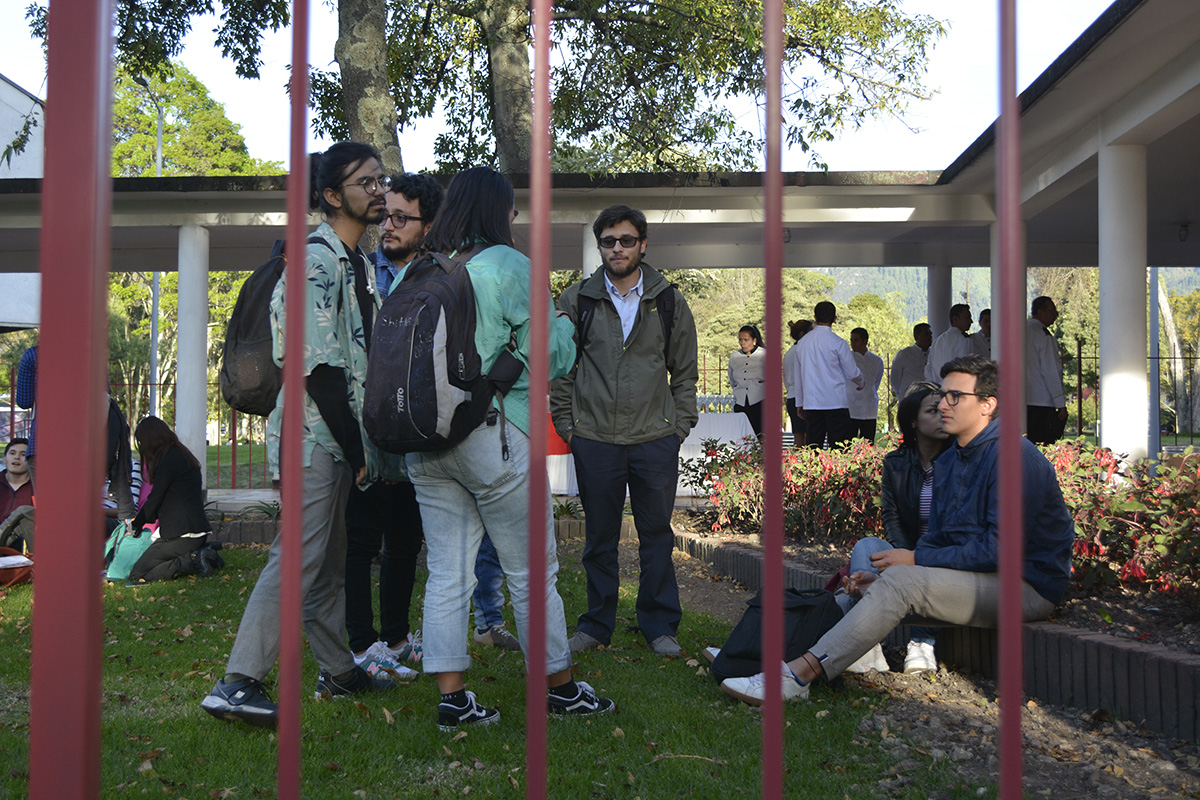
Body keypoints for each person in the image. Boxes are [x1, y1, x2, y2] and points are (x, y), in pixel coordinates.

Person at [721, 354, 1074, 705]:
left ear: (987, 405)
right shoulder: (951, 459)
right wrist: (890, 575)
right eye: (941, 394)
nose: (943, 404)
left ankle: (799, 676)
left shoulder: (1014, 457)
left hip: (1026, 587)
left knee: (901, 579)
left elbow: (1000, 551)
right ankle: (750, 656)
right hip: (976, 578)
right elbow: (940, 536)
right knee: (864, 580)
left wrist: (915, 560)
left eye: (955, 396)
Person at [202, 142, 402, 728]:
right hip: (315, 436)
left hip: (337, 436)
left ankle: (339, 670)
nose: (378, 190)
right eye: (366, 182)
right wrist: (357, 445)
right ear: (333, 196)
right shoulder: (315, 259)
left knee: (328, 558)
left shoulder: (354, 262)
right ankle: (238, 681)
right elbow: (317, 365)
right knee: (298, 556)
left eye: (380, 179)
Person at [407, 167, 613, 730]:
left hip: (424, 443)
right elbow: (554, 358)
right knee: (530, 571)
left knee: (447, 571)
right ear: (501, 213)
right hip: (494, 437)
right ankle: (561, 690)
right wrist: (565, 326)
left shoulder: (423, 268)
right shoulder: (508, 267)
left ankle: (453, 700)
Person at [551, 204, 699, 658]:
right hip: (594, 438)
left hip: (655, 439)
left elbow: (685, 373)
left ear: (643, 244)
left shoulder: (669, 300)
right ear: (600, 247)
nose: (618, 248)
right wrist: (568, 427)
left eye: (627, 240)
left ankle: (659, 627)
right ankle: (597, 624)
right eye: (609, 241)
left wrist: (678, 427)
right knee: (598, 538)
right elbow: (561, 371)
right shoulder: (576, 300)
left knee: (657, 536)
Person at [341, 173, 448, 682]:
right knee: (361, 541)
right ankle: (363, 644)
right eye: (385, 214)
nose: (388, 224)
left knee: (406, 539)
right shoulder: (360, 271)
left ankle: (398, 637)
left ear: (428, 226)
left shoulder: (438, 277)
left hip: (416, 433)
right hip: (366, 430)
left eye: (401, 217)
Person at [839, 383, 952, 674]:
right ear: (913, 421)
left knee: (919, 569)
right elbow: (892, 517)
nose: (942, 416)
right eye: (932, 410)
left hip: (946, 556)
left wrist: (918, 558)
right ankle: (868, 646)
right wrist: (903, 554)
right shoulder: (896, 463)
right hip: (907, 548)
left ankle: (921, 642)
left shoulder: (958, 461)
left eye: (945, 410)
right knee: (867, 547)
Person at [124, 417, 220, 583]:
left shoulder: (168, 461)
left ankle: (194, 559)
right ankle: (205, 552)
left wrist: (134, 526)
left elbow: (154, 500)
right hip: (193, 531)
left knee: (137, 575)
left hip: (182, 534)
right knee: (150, 565)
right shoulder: (181, 455)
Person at [790, 301, 863, 449]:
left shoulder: (803, 343)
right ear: (835, 318)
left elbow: (798, 376)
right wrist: (861, 383)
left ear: (815, 317)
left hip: (812, 402)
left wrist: (800, 403)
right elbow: (852, 372)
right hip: (835, 401)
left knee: (813, 448)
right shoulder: (839, 343)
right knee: (839, 448)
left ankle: (814, 472)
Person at [1026, 296, 1067, 446]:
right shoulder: (1043, 336)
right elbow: (1051, 370)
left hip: (1019, 399)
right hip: (1041, 401)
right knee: (1041, 446)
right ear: (1040, 312)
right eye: (1052, 310)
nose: (1055, 315)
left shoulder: (1018, 330)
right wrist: (1060, 403)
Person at [728, 324, 767, 437]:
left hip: (759, 400)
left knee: (760, 434)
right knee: (741, 435)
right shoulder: (734, 356)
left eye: (746, 340)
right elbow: (732, 379)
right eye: (740, 340)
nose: (742, 343)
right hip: (740, 401)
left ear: (754, 340)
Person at [847, 327, 884, 442]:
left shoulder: (876, 360)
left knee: (868, 443)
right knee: (847, 443)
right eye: (851, 340)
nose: (853, 343)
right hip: (850, 405)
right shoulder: (847, 358)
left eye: (856, 340)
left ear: (865, 341)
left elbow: (876, 382)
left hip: (869, 406)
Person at [925, 304, 974, 384]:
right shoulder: (964, 339)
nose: (971, 321)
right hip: (956, 388)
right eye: (967, 318)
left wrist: (937, 385)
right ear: (955, 319)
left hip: (938, 389)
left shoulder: (938, 340)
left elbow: (928, 369)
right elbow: (965, 368)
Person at [783, 319, 813, 445]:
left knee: (798, 438)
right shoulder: (805, 351)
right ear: (803, 334)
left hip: (791, 396)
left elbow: (785, 377)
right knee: (809, 438)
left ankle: (797, 463)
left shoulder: (789, 353)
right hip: (805, 397)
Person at [890, 323, 931, 401]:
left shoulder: (934, 354)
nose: (930, 337)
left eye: (930, 334)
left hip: (927, 398)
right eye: (926, 334)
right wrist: (901, 395)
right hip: (908, 398)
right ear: (916, 337)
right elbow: (895, 378)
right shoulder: (904, 354)